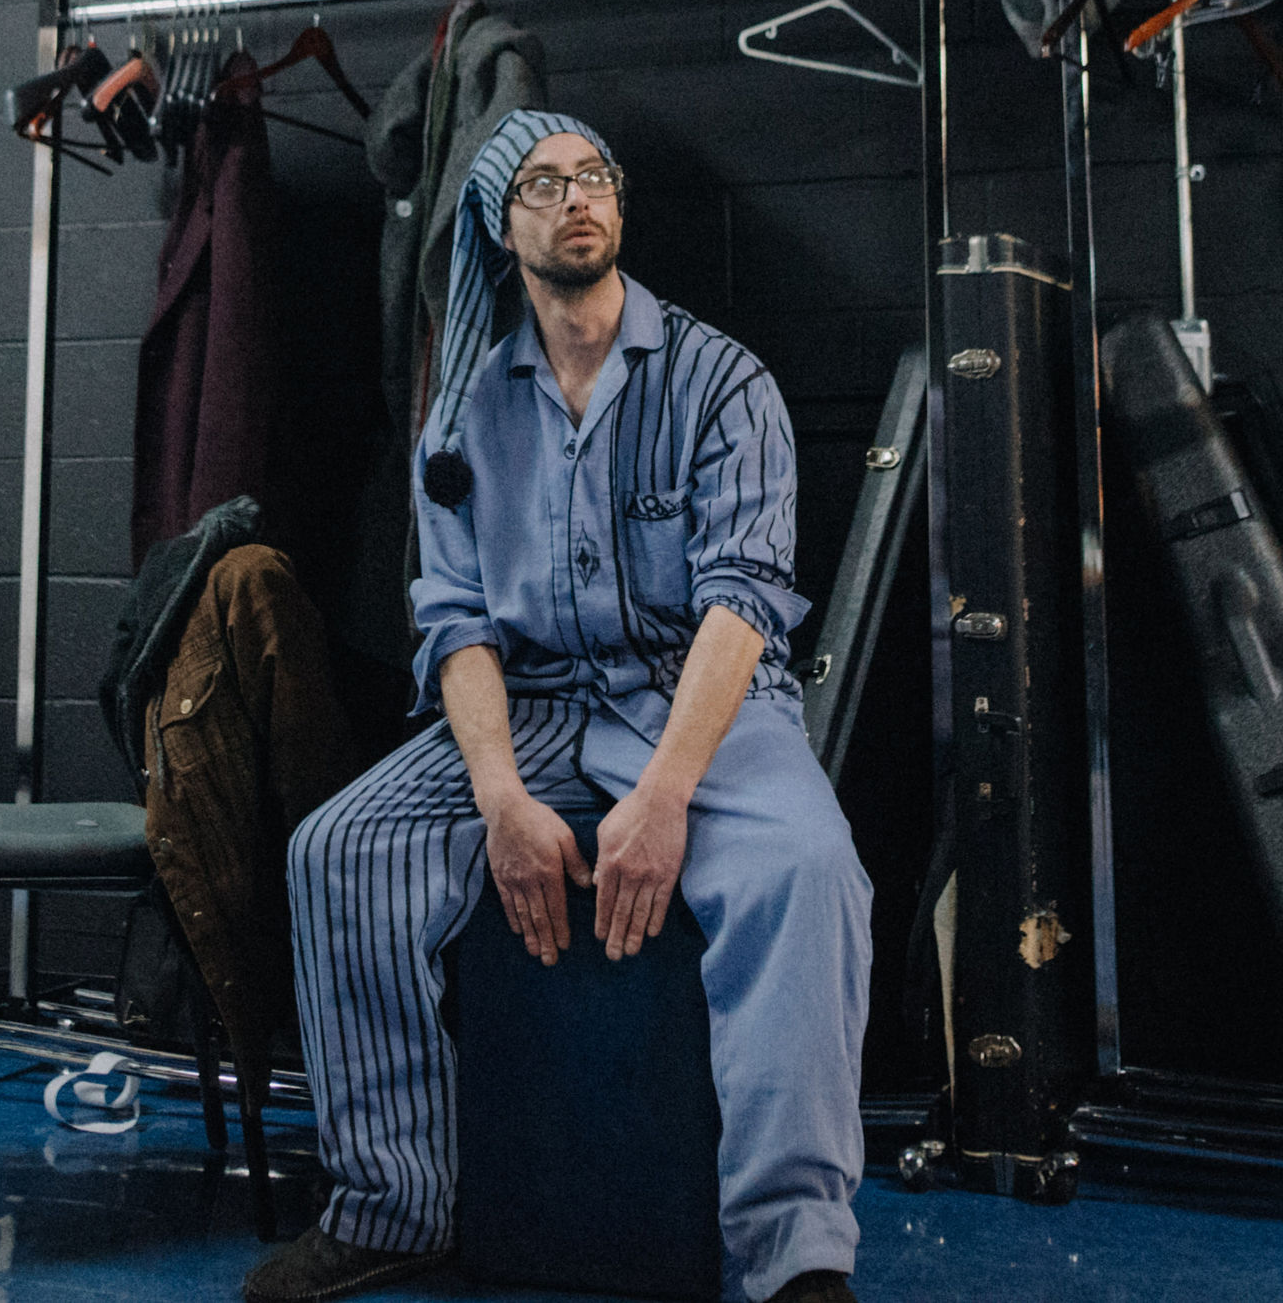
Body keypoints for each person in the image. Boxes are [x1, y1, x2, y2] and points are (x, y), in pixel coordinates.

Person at [253, 113, 871, 1303]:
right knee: (338, 851)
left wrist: (666, 795)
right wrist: (499, 800)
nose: (578, 197)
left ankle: (796, 1255)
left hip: (698, 700)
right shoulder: (463, 418)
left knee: (807, 871)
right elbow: (458, 627)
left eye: (595, 177)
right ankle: (390, 1206)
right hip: (530, 702)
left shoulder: (721, 381)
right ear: (501, 225)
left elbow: (742, 605)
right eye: (544, 184)